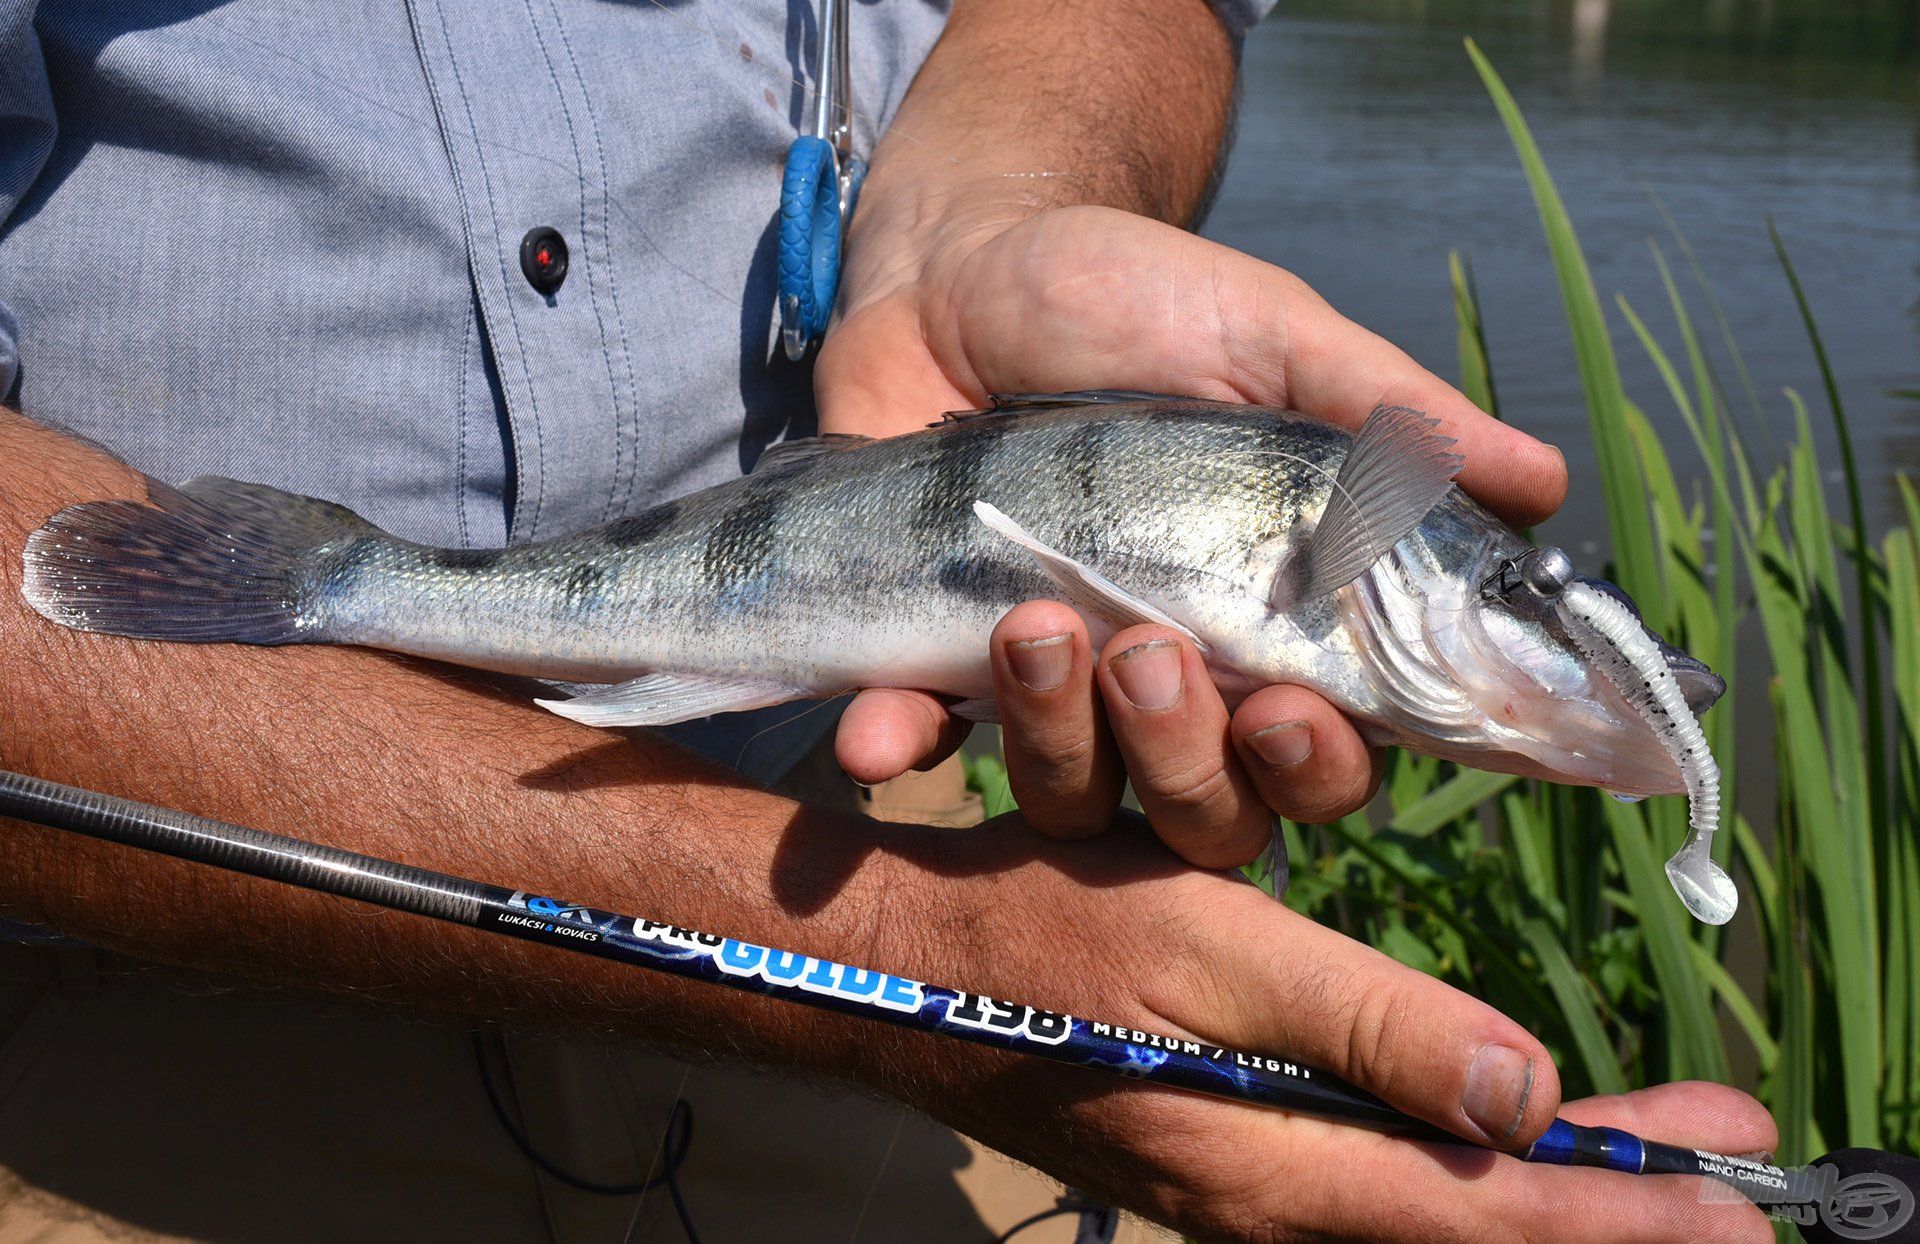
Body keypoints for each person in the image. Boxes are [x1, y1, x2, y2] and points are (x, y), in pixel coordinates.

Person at [0, 1, 1777, 1240]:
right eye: (1548, 616)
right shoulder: (1363, 533)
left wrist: (987, 208)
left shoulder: (1344, 578)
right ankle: (340, 586)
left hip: (828, 851)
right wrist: (910, 981)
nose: (1596, 673)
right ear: (1391, 549)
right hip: (120, 1032)